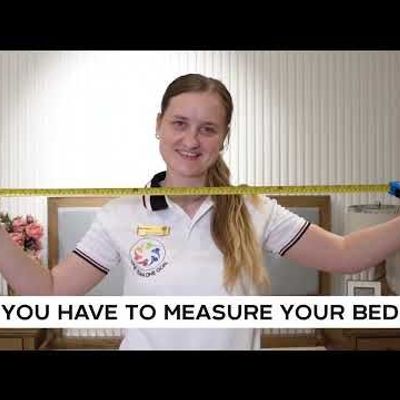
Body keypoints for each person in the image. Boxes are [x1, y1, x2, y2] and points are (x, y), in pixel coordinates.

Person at [1, 73, 400, 350]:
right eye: (179, 123)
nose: (191, 140)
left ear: (223, 138)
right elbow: (47, 292)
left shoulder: (253, 209)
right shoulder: (120, 215)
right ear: (158, 125)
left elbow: (346, 255)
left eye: (208, 129)